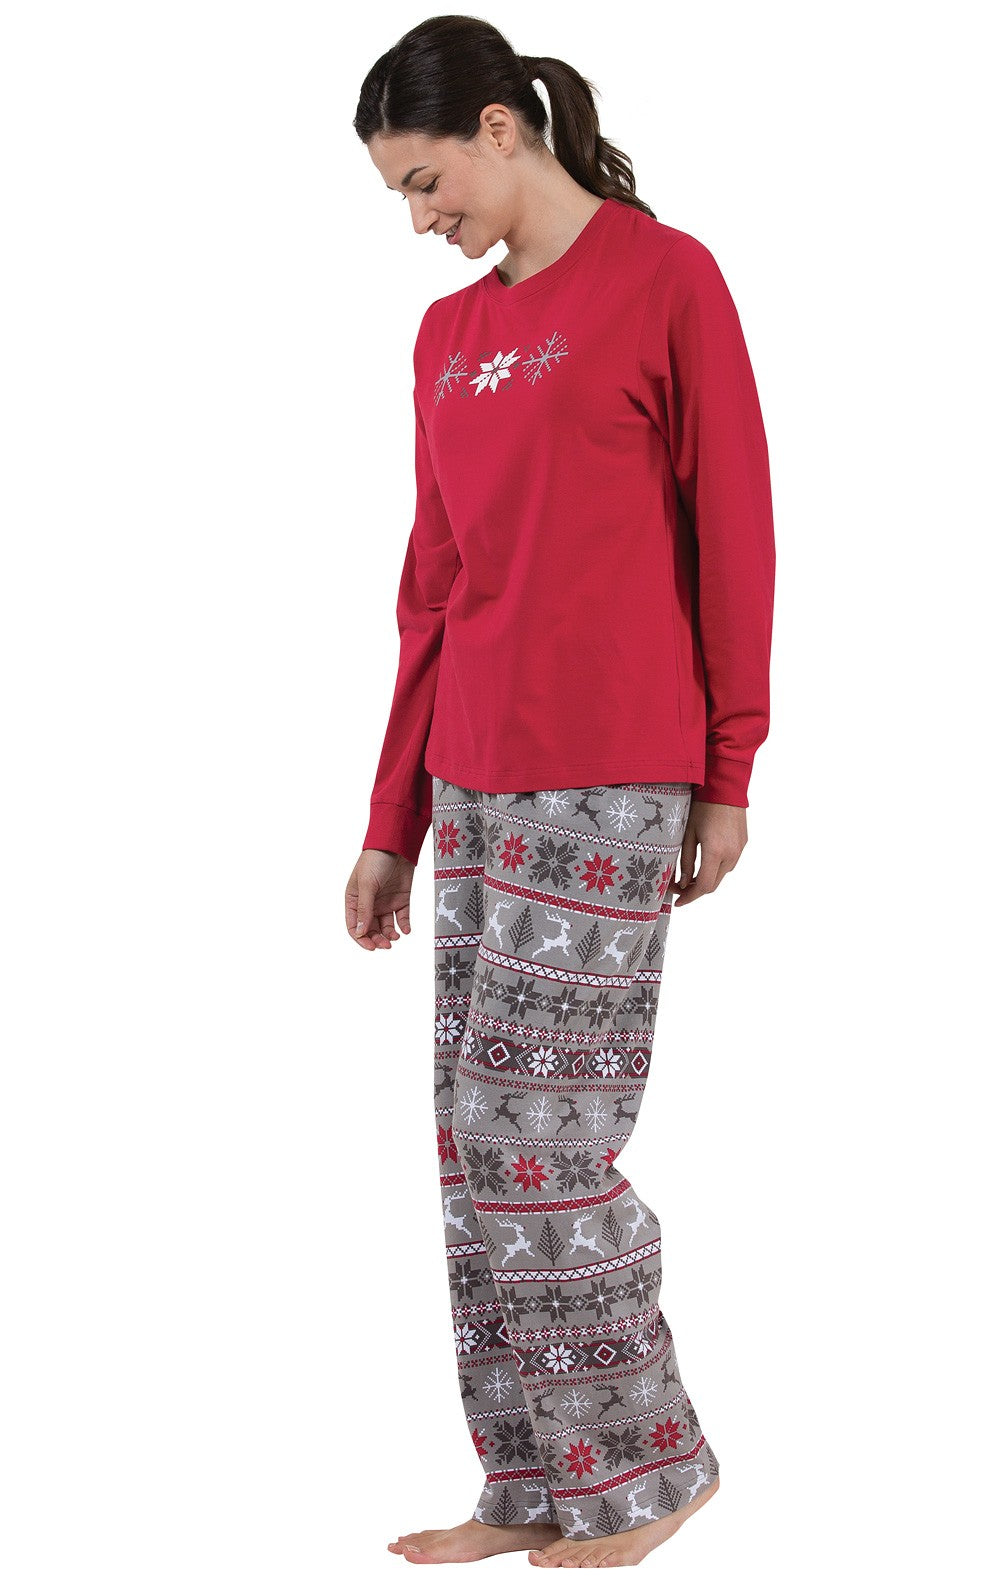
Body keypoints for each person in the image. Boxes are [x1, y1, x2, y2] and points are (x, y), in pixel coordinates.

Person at [345, 14, 775, 1570]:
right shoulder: (445, 339)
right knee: (472, 1146)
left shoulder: (667, 279)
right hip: (472, 772)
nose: (419, 220)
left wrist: (730, 767)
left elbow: (736, 528)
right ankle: (531, 1476)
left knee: (540, 1137)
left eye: (426, 181)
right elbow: (433, 589)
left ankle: (650, 1464)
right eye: (399, 197)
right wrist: (391, 822)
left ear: (500, 127)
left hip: (611, 773)